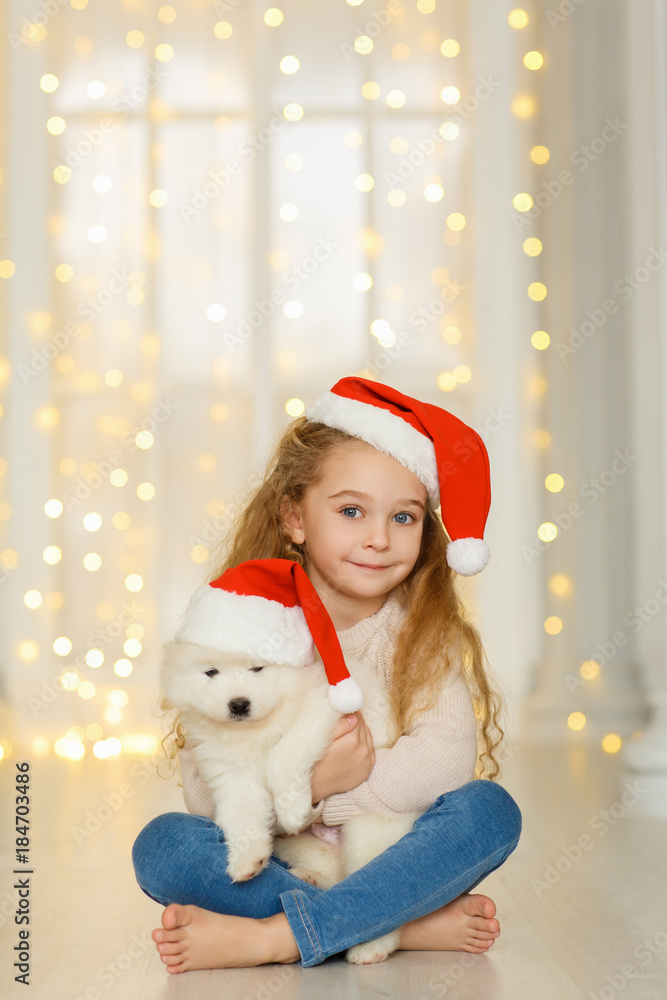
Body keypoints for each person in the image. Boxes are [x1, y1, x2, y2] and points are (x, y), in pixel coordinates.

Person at [131, 375, 522, 973]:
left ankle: (277, 937)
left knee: (489, 812)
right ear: (294, 517)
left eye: (404, 517)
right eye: (351, 511)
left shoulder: (420, 634)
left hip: (387, 849)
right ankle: (394, 921)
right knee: (165, 846)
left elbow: (444, 762)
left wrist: (337, 796)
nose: (378, 538)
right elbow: (206, 792)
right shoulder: (245, 619)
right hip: (289, 856)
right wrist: (313, 787)